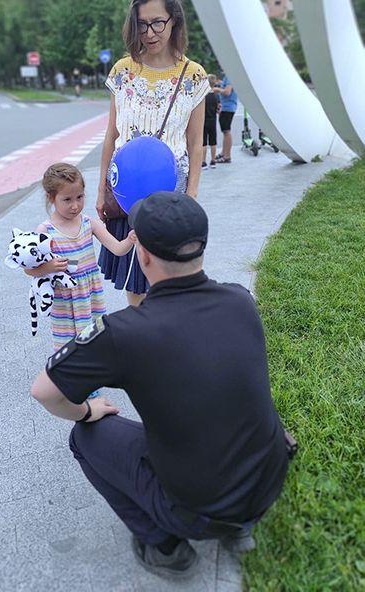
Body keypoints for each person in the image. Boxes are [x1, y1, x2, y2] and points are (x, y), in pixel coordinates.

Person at [31, 191, 290, 578]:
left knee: (85, 437)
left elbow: (44, 392)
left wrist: (87, 410)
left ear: (145, 256)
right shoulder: (240, 299)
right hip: (268, 480)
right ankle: (241, 527)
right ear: (200, 248)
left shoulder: (124, 331)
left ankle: (168, 548)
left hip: (199, 509)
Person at [96, 0, 209, 307]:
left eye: (157, 22)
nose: (150, 33)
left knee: (172, 281)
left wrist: (192, 195)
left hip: (171, 195)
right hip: (126, 192)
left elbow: (195, 142)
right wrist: (102, 188)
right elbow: (111, 135)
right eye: (142, 24)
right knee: (137, 284)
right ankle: (144, 347)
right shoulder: (122, 71)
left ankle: (169, 346)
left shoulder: (194, 76)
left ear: (174, 19)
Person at [24, 162, 135, 354]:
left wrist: (130, 239)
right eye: (67, 199)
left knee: (95, 341)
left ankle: (94, 380)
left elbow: (117, 249)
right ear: (51, 198)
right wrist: (49, 267)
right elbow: (29, 269)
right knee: (68, 347)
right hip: (64, 301)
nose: (75, 205)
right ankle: (71, 380)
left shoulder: (88, 223)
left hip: (90, 296)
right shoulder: (44, 231)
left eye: (79, 197)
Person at [214, 74, 237, 163]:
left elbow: (227, 92)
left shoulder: (229, 77)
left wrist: (217, 90)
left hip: (228, 107)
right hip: (227, 107)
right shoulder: (227, 77)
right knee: (224, 131)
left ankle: (227, 156)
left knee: (226, 131)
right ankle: (224, 152)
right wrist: (221, 84)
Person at [202, 73, 220, 169]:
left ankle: (203, 161)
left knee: (203, 142)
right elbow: (218, 108)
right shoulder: (216, 96)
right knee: (213, 141)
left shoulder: (204, 96)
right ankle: (213, 160)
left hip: (204, 120)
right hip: (213, 120)